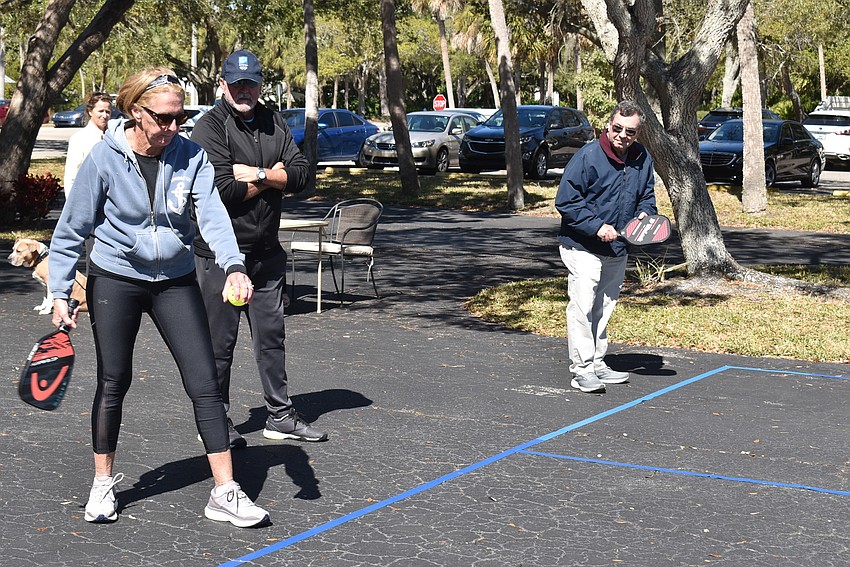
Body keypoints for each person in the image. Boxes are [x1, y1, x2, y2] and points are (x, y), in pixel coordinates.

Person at [48, 67, 270, 528]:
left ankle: (225, 491)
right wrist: (60, 292)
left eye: (180, 117)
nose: (173, 126)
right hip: (116, 277)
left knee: (205, 382)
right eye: (163, 118)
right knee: (114, 380)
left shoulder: (191, 156)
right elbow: (72, 228)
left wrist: (233, 266)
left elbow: (213, 216)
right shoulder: (104, 158)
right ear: (135, 111)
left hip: (175, 277)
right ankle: (102, 484)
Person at [191, 49, 327, 448]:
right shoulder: (209, 127)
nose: (244, 91)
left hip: (267, 253)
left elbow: (301, 175)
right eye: (236, 84)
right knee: (220, 344)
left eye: (250, 83)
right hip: (221, 256)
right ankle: (216, 421)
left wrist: (259, 174)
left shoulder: (273, 120)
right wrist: (274, 177)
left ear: (260, 84)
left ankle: (280, 416)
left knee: (271, 339)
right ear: (222, 85)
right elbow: (222, 191)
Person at [555, 100, 657, 394]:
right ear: (608, 126)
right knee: (583, 308)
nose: (623, 135)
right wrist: (597, 227)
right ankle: (582, 370)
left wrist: (644, 215)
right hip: (581, 246)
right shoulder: (588, 156)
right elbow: (566, 201)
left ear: (637, 133)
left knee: (603, 308)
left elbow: (646, 197)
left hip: (617, 248)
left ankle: (598, 363)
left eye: (630, 131)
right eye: (617, 128)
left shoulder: (642, 157)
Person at [63, 92, 114, 197]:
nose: (105, 115)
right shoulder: (79, 139)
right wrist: (73, 203)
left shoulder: (114, 136)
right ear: (90, 111)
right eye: (101, 111)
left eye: (108, 112)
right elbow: (71, 176)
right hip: (88, 196)